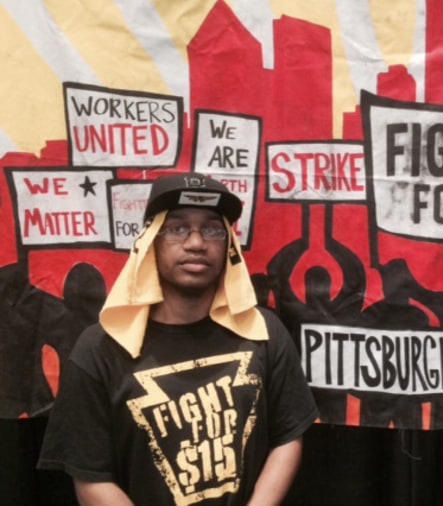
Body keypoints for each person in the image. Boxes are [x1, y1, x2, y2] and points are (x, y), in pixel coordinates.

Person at [38, 173, 318, 506]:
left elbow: (288, 437)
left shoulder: (263, 331)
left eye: (213, 229)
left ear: (228, 244)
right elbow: (90, 477)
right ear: (151, 241)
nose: (196, 243)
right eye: (177, 228)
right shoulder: (100, 348)